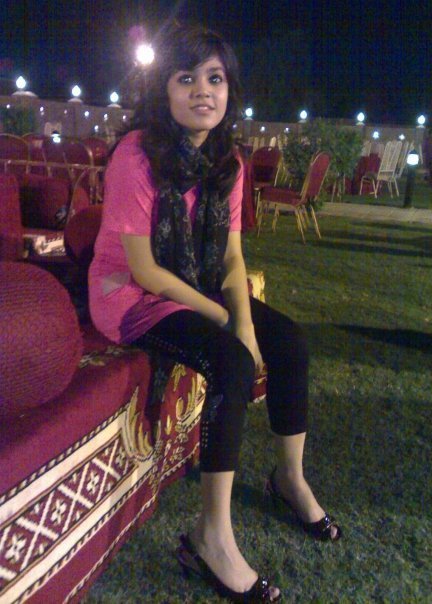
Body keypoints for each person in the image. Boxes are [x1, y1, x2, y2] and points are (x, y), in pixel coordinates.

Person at [89, 23, 341, 603]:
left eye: (215, 78)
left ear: (229, 90)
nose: (202, 90)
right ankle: (211, 537)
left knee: (289, 342)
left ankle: (289, 479)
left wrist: (246, 320)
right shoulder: (137, 154)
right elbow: (146, 271)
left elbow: (230, 256)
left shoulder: (227, 161)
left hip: (195, 281)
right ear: (164, 89)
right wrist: (227, 323)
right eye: (186, 78)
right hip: (131, 298)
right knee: (231, 360)